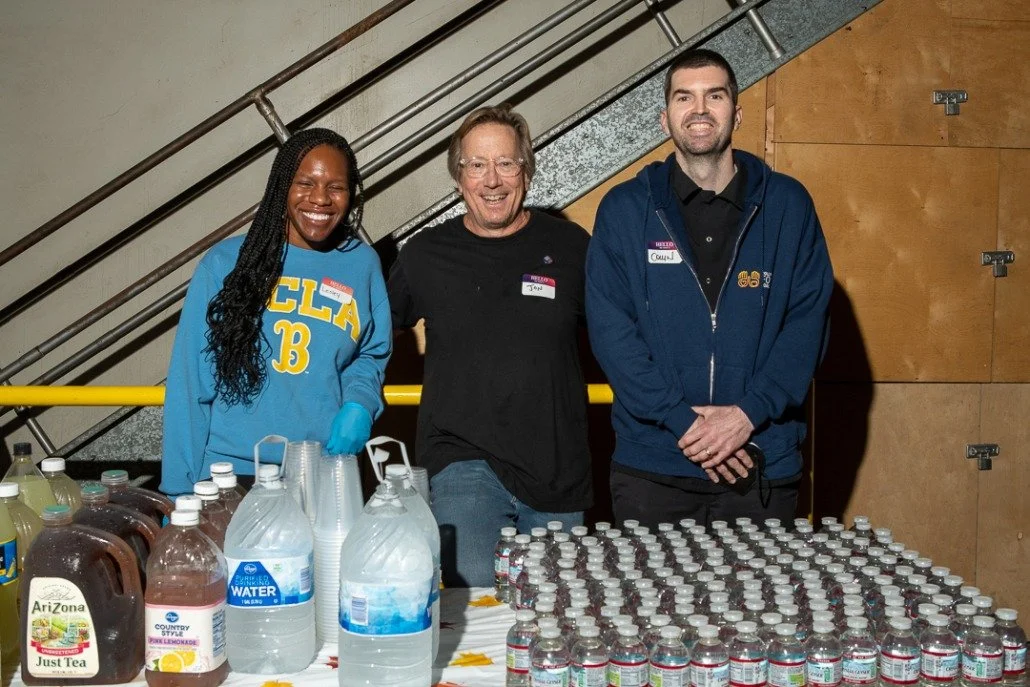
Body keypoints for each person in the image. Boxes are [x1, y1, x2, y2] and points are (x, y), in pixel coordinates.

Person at [586, 49, 833, 527]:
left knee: (762, 605)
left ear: (735, 113)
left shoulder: (788, 206)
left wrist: (744, 417)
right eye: (685, 97)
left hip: (758, 466)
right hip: (654, 471)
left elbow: (808, 326)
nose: (699, 110)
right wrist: (688, 423)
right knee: (647, 605)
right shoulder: (624, 210)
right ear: (666, 118)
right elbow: (612, 334)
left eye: (714, 95)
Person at [387, 104, 592, 587]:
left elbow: (623, 334)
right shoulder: (425, 255)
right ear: (459, 178)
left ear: (527, 171)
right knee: (475, 606)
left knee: (556, 616)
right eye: (477, 165)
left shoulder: (571, 247)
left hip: (557, 465)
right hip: (462, 463)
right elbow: (370, 335)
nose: (492, 180)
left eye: (506, 163)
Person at [161, 128, 391, 495]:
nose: (320, 199)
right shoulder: (225, 263)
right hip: (230, 476)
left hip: (320, 471)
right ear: (282, 186)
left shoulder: (361, 264)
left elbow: (368, 353)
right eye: (305, 183)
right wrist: (177, 490)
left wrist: (360, 403)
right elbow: (190, 385)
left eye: (336, 187)